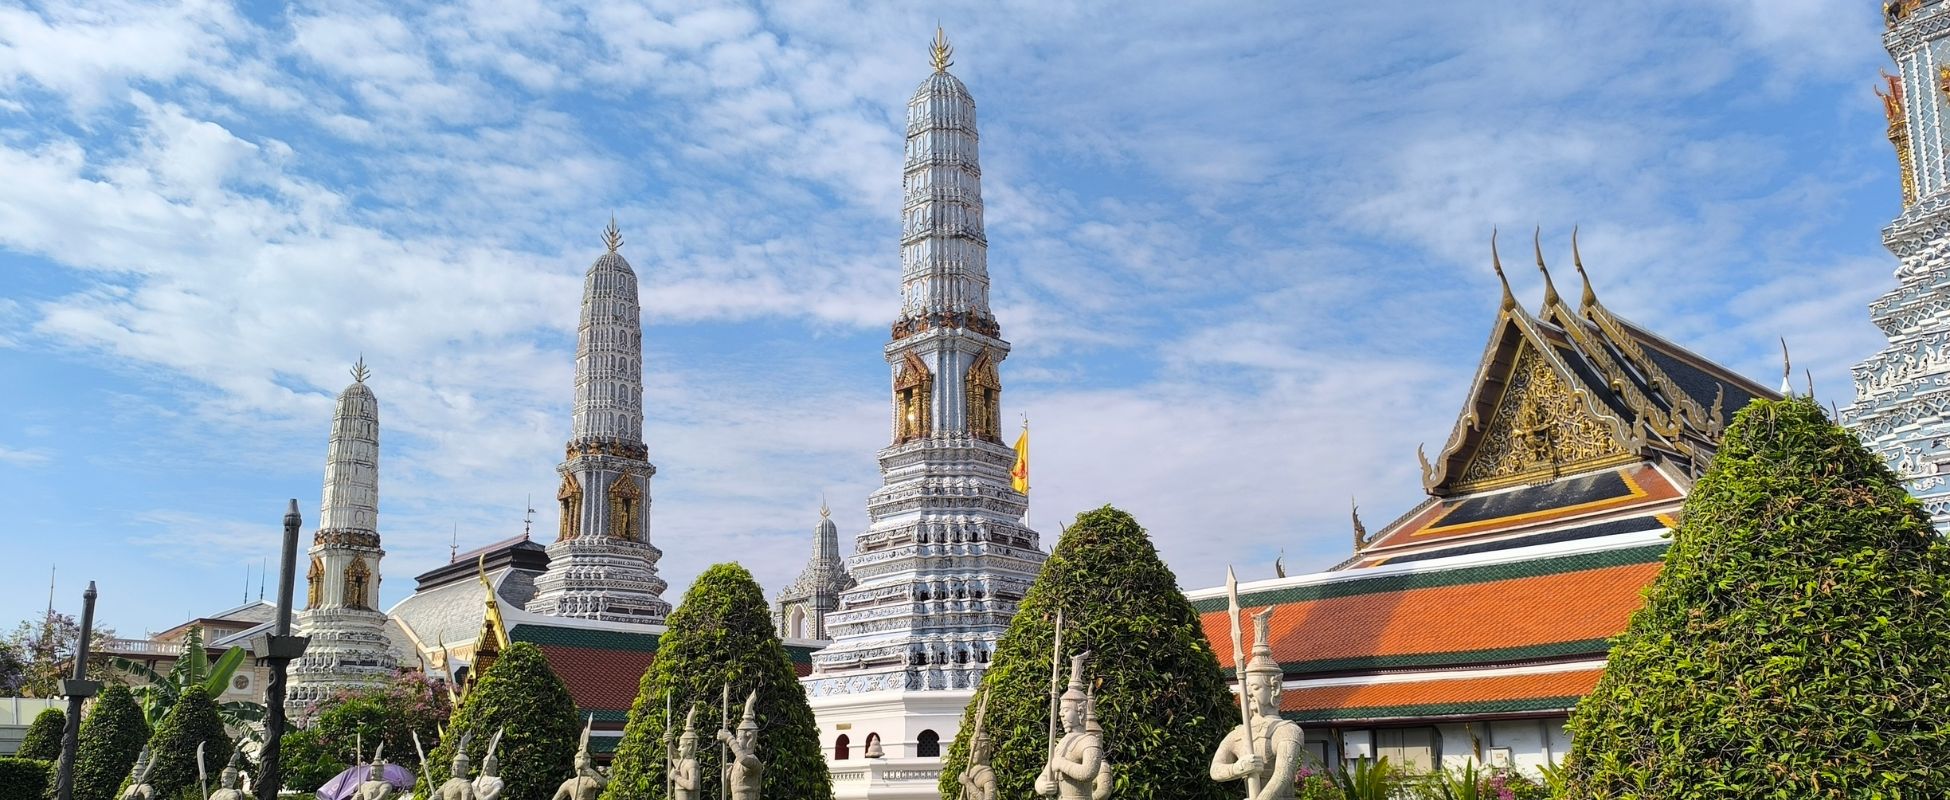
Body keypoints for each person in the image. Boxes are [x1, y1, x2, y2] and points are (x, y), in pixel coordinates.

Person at [1209, 607, 1303, 800]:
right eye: (1248, 689)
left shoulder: (1286, 731)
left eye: (1256, 688)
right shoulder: (1239, 733)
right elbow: (1215, 769)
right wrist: (1239, 767)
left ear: (1274, 688)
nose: (1249, 694)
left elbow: (1282, 776)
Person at [1036, 652, 1106, 799]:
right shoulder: (1062, 742)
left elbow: (1088, 772)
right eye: (1060, 711)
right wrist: (1043, 786)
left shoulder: (1089, 741)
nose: (1061, 715)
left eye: (1066, 710)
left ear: (1080, 712)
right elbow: (1045, 774)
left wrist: (1061, 763)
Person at [716, 688, 764, 800]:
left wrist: (729, 739)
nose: (737, 741)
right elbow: (730, 790)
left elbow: (744, 760)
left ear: (750, 738)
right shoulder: (737, 762)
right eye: (737, 738)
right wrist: (726, 779)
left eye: (739, 738)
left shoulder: (753, 761)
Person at [549, 717, 607, 800]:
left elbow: (604, 784)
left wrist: (588, 770)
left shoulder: (589, 781)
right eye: (577, 760)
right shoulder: (569, 783)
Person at [956, 730, 997, 800]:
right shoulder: (971, 772)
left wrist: (968, 783)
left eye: (975, 751)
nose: (972, 754)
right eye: (971, 751)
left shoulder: (988, 775)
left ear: (984, 750)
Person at [671, 705, 701, 800]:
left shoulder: (692, 764)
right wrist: (669, 743)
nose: (679, 749)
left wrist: (676, 777)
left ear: (690, 746)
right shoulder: (682, 762)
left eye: (682, 746)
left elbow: (692, 785)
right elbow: (675, 756)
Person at [436, 730, 476, 800]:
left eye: (457, 766)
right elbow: (437, 794)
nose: (454, 768)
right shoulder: (447, 784)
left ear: (466, 768)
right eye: (454, 766)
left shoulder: (465, 785)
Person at [472, 728, 506, 800]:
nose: (487, 766)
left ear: (495, 766)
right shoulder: (477, 780)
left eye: (491, 765)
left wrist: (476, 792)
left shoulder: (497, 781)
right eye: (486, 764)